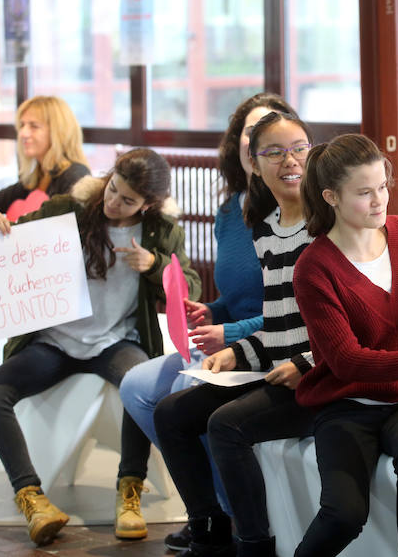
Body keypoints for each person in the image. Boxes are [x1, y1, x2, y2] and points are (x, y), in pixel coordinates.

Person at [0, 148, 200, 546]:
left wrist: (154, 265)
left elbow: (191, 288)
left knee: (140, 384)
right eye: (113, 189)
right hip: (55, 341)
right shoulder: (70, 208)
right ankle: (31, 498)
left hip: (115, 341)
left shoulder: (161, 230)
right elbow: (10, 235)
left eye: (127, 199)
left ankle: (129, 491)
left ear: (148, 204)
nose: (114, 202)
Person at [117, 92, 297, 551]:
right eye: (251, 134)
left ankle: (231, 515)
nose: (263, 144)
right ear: (242, 147)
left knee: (183, 395)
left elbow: (290, 310)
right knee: (136, 387)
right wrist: (210, 311)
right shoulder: (228, 211)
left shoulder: (293, 212)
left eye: (278, 140)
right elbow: (236, 294)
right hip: (225, 338)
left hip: (262, 344)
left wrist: (230, 333)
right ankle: (209, 508)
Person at [153, 111, 317, 557]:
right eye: (275, 152)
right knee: (170, 414)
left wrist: (300, 364)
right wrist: (237, 354)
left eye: (299, 148)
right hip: (277, 366)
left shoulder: (327, 228)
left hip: (319, 376)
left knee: (225, 425)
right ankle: (208, 530)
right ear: (255, 164)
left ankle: (253, 546)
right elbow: (280, 322)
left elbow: (336, 327)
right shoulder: (266, 233)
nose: (290, 161)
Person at [291, 133, 398, 557]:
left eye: (383, 187)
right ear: (330, 196)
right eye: (364, 193)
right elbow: (347, 361)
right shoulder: (313, 268)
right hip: (347, 402)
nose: (379, 200)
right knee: (344, 515)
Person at [0, 95, 91, 442]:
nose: (23, 134)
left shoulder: (75, 177)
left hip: (60, 299)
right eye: (21, 126)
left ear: (55, 130)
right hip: (32, 288)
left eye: (33, 125)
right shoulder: (35, 178)